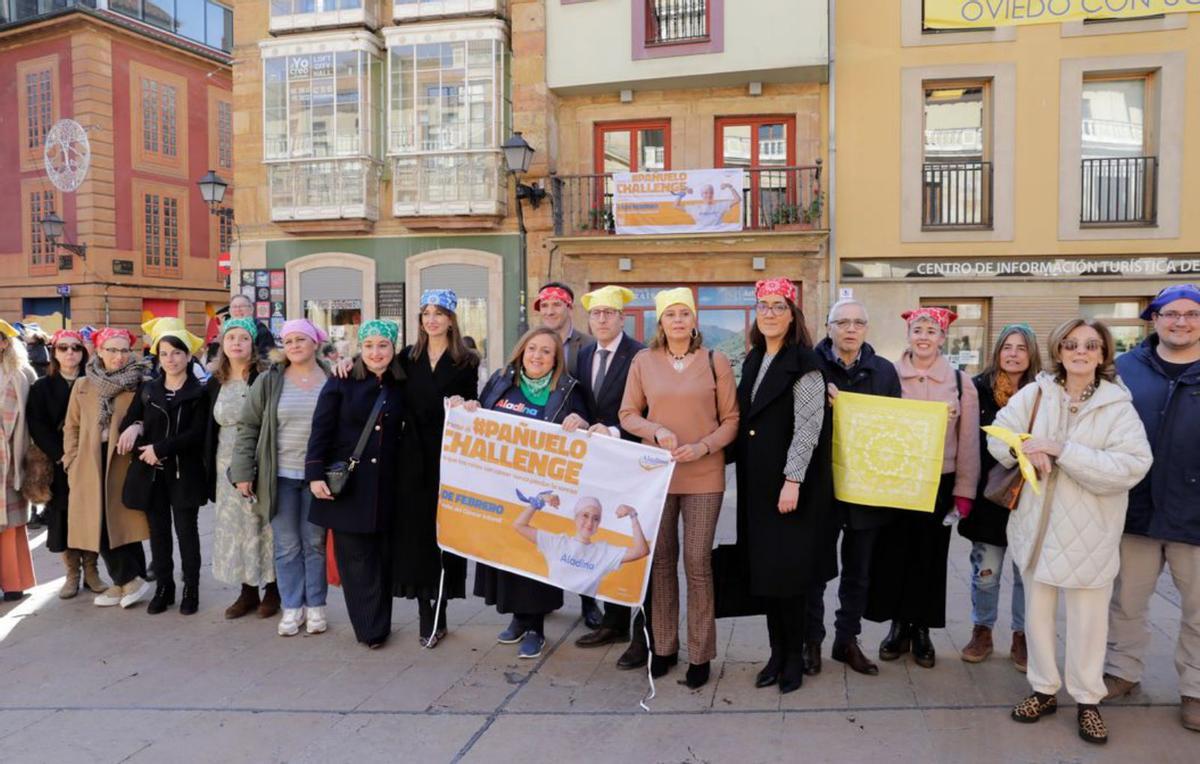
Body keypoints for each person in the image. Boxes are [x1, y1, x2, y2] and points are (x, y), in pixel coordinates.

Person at [994, 318, 1152, 745]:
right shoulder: (1036, 392)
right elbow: (999, 434)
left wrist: (1064, 451)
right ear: (1058, 350)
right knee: (1038, 616)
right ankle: (1043, 689)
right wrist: (1026, 446)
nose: (1080, 352)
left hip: (1091, 531)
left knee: (1088, 622)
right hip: (1036, 527)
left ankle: (1087, 700)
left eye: (1090, 345)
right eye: (1071, 344)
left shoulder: (1118, 406)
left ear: (1103, 354)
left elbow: (1131, 466)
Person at [619, 287, 739, 689]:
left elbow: (732, 420)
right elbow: (628, 414)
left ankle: (701, 653)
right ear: (660, 322)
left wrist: (704, 446)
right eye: (670, 314)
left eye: (684, 314)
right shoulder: (643, 361)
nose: (678, 321)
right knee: (662, 561)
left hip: (704, 474)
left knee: (698, 562)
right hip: (656, 474)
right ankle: (664, 647)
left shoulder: (714, 360)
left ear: (694, 321)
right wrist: (656, 432)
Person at [450, 326, 589, 659]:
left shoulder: (568, 389)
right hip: (503, 489)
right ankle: (517, 619)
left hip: (544, 495)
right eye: (532, 349)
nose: (537, 356)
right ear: (521, 352)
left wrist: (580, 422)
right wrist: (464, 407)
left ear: (556, 360)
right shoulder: (501, 382)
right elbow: (480, 415)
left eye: (545, 351)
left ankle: (536, 628)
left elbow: (589, 426)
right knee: (506, 557)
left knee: (535, 556)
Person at [1104, 284, 1200, 732]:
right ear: (1154, 319)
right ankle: (1123, 670)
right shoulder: (1124, 369)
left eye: (1191, 314)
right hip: (1136, 511)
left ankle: (1195, 689)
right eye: (1171, 314)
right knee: (1126, 601)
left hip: (1195, 515)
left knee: (1199, 610)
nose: (1181, 322)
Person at [732, 279, 832, 694]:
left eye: (779, 306)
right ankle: (775, 653)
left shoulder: (805, 362)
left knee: (790, 579)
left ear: (793, 315)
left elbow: (808, 428)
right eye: (763, 306)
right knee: (767, 576)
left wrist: (792, 481)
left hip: (790, 489)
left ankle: (794, 657)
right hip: (756, 486)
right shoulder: (754, 359)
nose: (770, 313)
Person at [865, 307, 980, 669]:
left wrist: (964, 491)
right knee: (894, 553)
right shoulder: (888, 375)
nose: (925, 336)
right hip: (896, 478)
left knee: (930, 557)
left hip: (939, 481)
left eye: (932, 330)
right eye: (919, 329)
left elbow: (969, 442)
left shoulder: (961, 383)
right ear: (908, 335)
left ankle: (923, 629)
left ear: (943, 338)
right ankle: (898, 627)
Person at [807, 299, 901, 677]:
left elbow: (894, 427)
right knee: (813, 569)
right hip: (820, 484)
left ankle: (846, 639)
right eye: (842, 322)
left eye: (858, 322)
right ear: (828, 327)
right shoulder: (810, 366)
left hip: (866, 485)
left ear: (866, 329)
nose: (850, 328)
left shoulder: (884, 371)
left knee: (858, 570)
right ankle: (810, 639)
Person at [307, 320, 408, 649]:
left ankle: (381, 622)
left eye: (383, 345)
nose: (376, 352)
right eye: (369, 346)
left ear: (393, 348)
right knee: (356, 561)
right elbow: (321, 428)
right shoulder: (342, 380)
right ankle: (370, 630)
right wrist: (314, 474)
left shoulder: (402, 380)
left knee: (382, 558)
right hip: (349, 486)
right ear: (359, 349)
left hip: (388, 487)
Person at [231, 319, 330, 637]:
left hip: (318, 477)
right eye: (288, 341)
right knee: (287, 546)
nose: (295, 346)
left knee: (314, 544)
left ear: (315, 342)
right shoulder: (270, 381)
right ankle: (292, 607)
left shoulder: (331, 378)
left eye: (301, 339)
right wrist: (243, 471)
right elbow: (248, 427)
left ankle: (315, 607)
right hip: (281, 476)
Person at [570, 285, 651, 668]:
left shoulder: (640, 355)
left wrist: (617, 432)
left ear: (622, 317)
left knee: (637, 543)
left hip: (634, 462)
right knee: (608, 540)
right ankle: (614, 620)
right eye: (596, 313)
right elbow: (581, 403)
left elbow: (651, 407)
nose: (602, 319)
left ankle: (645, 632)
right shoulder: (583, 355)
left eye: (609, 313)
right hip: (599, 464)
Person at [396, 289, 479, 647]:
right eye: (426, 313)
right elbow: (377, 380)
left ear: (451, 319)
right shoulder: (406, 357)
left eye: (439, 313)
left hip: (449, 457)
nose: (431, 319)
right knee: (416, 537)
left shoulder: (467, 361)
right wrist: (345, 365)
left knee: (445, 536)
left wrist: (469, 403)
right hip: (410, 456)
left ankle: (441, 608)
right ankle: (424, 612)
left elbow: (479, 403)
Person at [958, 324, 1041, 669]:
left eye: (1021, 348)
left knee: (1026, 575)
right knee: (986, 572)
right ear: (997, 352)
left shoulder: (1045, 392)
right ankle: (983, 630)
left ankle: (1022, 636)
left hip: (1029, 498)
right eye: (1007, 347)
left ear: (1032, 353)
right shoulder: (978, 389)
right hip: (988, 497)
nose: (1013, 354)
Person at [119, 324, 209, 615]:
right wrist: (136, 433)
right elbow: (130, 423)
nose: (171, 359)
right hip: (152, 474)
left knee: (186, 533)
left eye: (177, 353)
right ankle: (164, 587)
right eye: (165, 353)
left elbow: (197, 433)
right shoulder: (148, 390)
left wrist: (161, 449)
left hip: (185, 473)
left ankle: (191, 588)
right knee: (158, 533)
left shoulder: (199, 392)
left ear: (188, 356)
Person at [63, 328, 152, 609]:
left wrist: (138, 427)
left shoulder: (140, 383)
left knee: (121, 523)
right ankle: (125, 580)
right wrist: (71, 462)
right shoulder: (83, 385)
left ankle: (128, 579)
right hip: (89, 462)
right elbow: (72, 426)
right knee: (97, 522)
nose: (119, 356)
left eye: (124, 350)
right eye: (112, 350)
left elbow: (150, 420)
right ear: (99, 351)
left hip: (122, 460)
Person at [534, 281, 601, 628]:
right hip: (543, 447)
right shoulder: (533, 343)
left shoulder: (587, 346)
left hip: (578, 443)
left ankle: (589, 601)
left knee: (581, 523)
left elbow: (593, 394)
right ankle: (544, 598)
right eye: (543, 306)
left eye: (555, 306)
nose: (549, 312)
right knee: (547, 523)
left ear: (568, 307)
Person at [205, 317, 278, 620]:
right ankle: (247, 591)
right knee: (237, 528)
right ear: (222, 344)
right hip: (226, 464)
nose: (236, 343)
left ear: (253, 344)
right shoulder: (214, 381)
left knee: (264, 525)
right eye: (230, 337)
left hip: (259, 458)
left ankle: (273, 589)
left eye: (243, 338)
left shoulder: (267, 376)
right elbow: (207, 427)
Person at [27, 329, 105, 598]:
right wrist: (61, 454)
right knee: (64, 517)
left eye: (75, 347)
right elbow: (37, 425)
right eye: (63, 348)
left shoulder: (95, 384)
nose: (70, 352)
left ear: (84, 353)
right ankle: (72, 574)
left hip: (91, 459)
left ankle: (93, 571)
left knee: (91, 513)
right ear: (54, 353)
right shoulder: (41, 387)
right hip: (60, 462)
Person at [514, 495, 649, 597]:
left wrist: (633, 515)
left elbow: (641, 551)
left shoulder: (603, 552)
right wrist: (540, 500)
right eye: (585, 515)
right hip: (553, 598)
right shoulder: (557, 542)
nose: (590, 523)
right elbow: (519, 525)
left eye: (595, 518)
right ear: (576, 517)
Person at [0, 320, 38, 600]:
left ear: (5, 343)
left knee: (11, 525)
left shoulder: (22, 373)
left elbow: (34, 417)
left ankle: (14, 583)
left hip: (11, 458)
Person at [674, 182, 742, 229]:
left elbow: (737, 199)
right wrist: (683, 192)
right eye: (705, 193)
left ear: (713, 194)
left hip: (717, 234)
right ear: (701, 195)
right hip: (701, 235)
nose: (708, 195)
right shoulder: (695, 208)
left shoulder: (720, 206)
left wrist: (730, 186)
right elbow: (676, 205)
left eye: (711, 192)